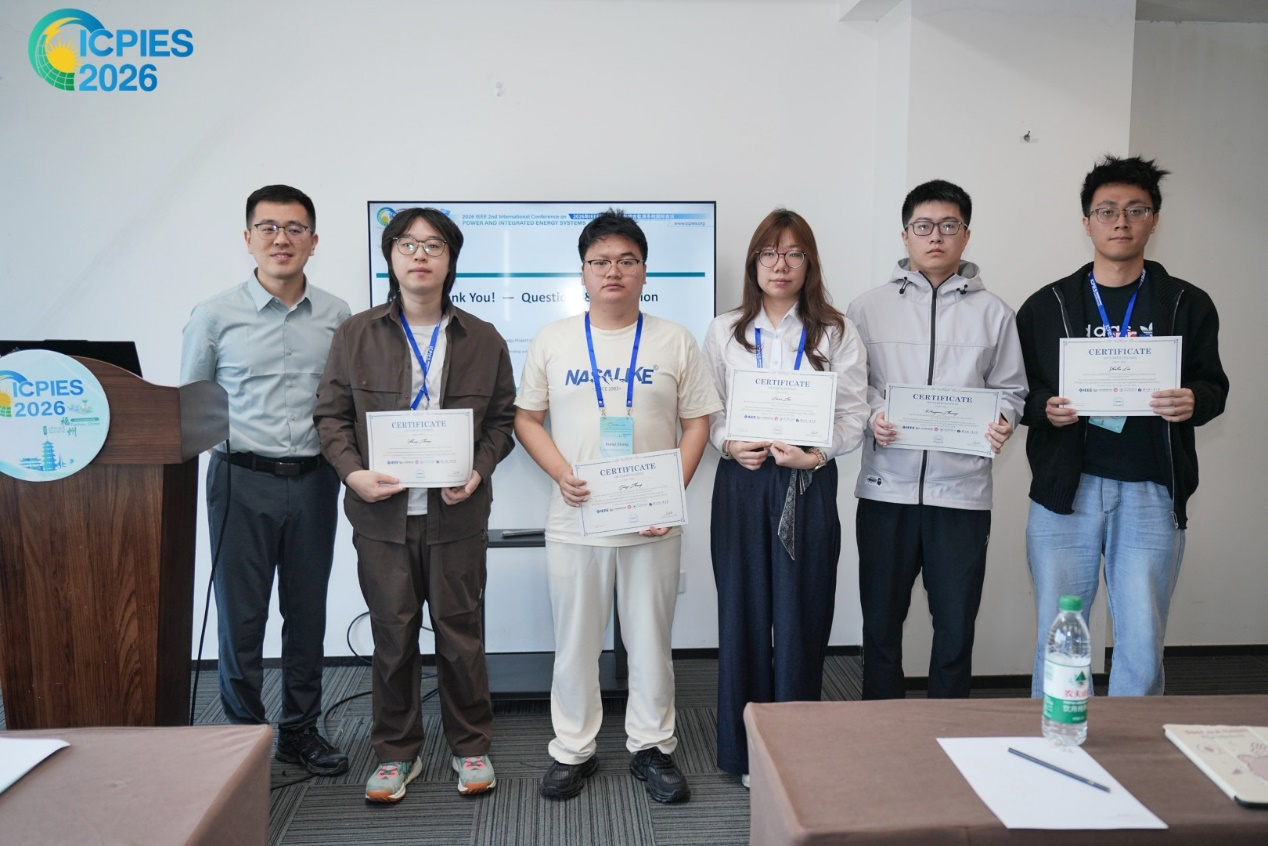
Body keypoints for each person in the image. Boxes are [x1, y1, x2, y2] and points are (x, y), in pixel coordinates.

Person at [514, 209, 721, 804]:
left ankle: (652, 746)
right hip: (575, 518)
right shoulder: (553, 339)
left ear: (644, 271)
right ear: (582, 272)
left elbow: (697, 422)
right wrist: (561, 473)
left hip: (652, 520)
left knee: (651, 641)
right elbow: (526, 419)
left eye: (627, 260)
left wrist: (671, 494)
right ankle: (572, 749)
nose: (613, 271)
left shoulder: (674, 339)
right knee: (575, 642)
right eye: (600, 261)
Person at [314, 208, 516, 802]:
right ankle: (396, 753)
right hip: (383, 516)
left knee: (460, 633)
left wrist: (478, 469)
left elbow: (501, 420)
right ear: (390, 257)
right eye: (407, 244)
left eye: (434, 246)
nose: (420, 255)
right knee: (393, 635)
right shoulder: (356, 334)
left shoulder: (483, 338)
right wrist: (353, 474)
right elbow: (331, 417)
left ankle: (470, 744)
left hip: (457, 514)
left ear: (451, 260)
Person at [1017, 155, 1228, 696]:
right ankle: (1059, 735)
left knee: (1142, 638)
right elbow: (1020, 391)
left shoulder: (1186, 303)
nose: (1121, 222)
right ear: (1086, 221)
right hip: (1066, 492)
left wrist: (1194, 400)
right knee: (1059, 633)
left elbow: (1214, 386)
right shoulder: (1047, 305)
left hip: (1152, 491)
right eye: (1107, 210)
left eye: (1136, 210)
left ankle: (1136, 744)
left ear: (1154, 220)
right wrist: (1044, 408)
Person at [180, 184, 351, 775]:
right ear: (248, 238)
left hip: (315, 480)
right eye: (269, 227)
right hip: (241, 480)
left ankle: (300, 731)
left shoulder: (337, 315)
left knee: (306, 614)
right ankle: (244, 738)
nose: (282, 239)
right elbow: (190, 409)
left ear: (314, 241)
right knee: (242, 615)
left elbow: (344, 404)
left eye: (295, 228)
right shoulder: (213, 315)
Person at [704, 208, 870, 786]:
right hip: (743, 482)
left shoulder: (836, 331)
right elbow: (709, 408)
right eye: (770, 253)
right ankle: (745, 753)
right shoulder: (725, 329)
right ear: (754, 262)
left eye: (794, 253)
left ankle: (795, 749)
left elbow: (854, 415)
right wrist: (729, 443)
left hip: (808, 479)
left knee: (802, 615)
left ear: (810, 263)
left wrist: (817, 454)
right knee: (743, 615)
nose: (781, 264)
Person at [846, 180, 1027, 701]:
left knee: (955, 623)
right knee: (881, 621)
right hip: (887, 491)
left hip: (962, 494)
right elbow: (854, 387)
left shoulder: (995, 312)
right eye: (923, 226)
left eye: (949, 226)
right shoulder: (867, 308)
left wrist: (1003, 419)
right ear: (905, 235)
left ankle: (949, 724)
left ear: (966, 235)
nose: (936, 237)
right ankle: (882, 722)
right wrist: (875, 415)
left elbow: (1011, 389)